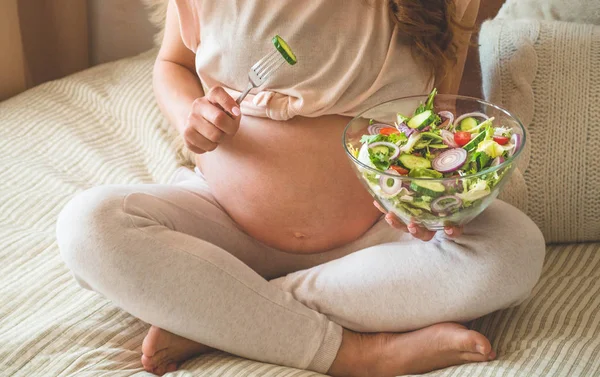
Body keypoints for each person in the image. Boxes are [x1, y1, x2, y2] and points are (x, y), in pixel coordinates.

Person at [56, 0, 545, 376]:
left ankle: (230, 315)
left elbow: (441, 113)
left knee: (514, 250)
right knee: (90, 225)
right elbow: (173, 66)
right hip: (224, 227)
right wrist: (190, 114)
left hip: (377, 239)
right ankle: (352, 353)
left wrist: (425, 199)